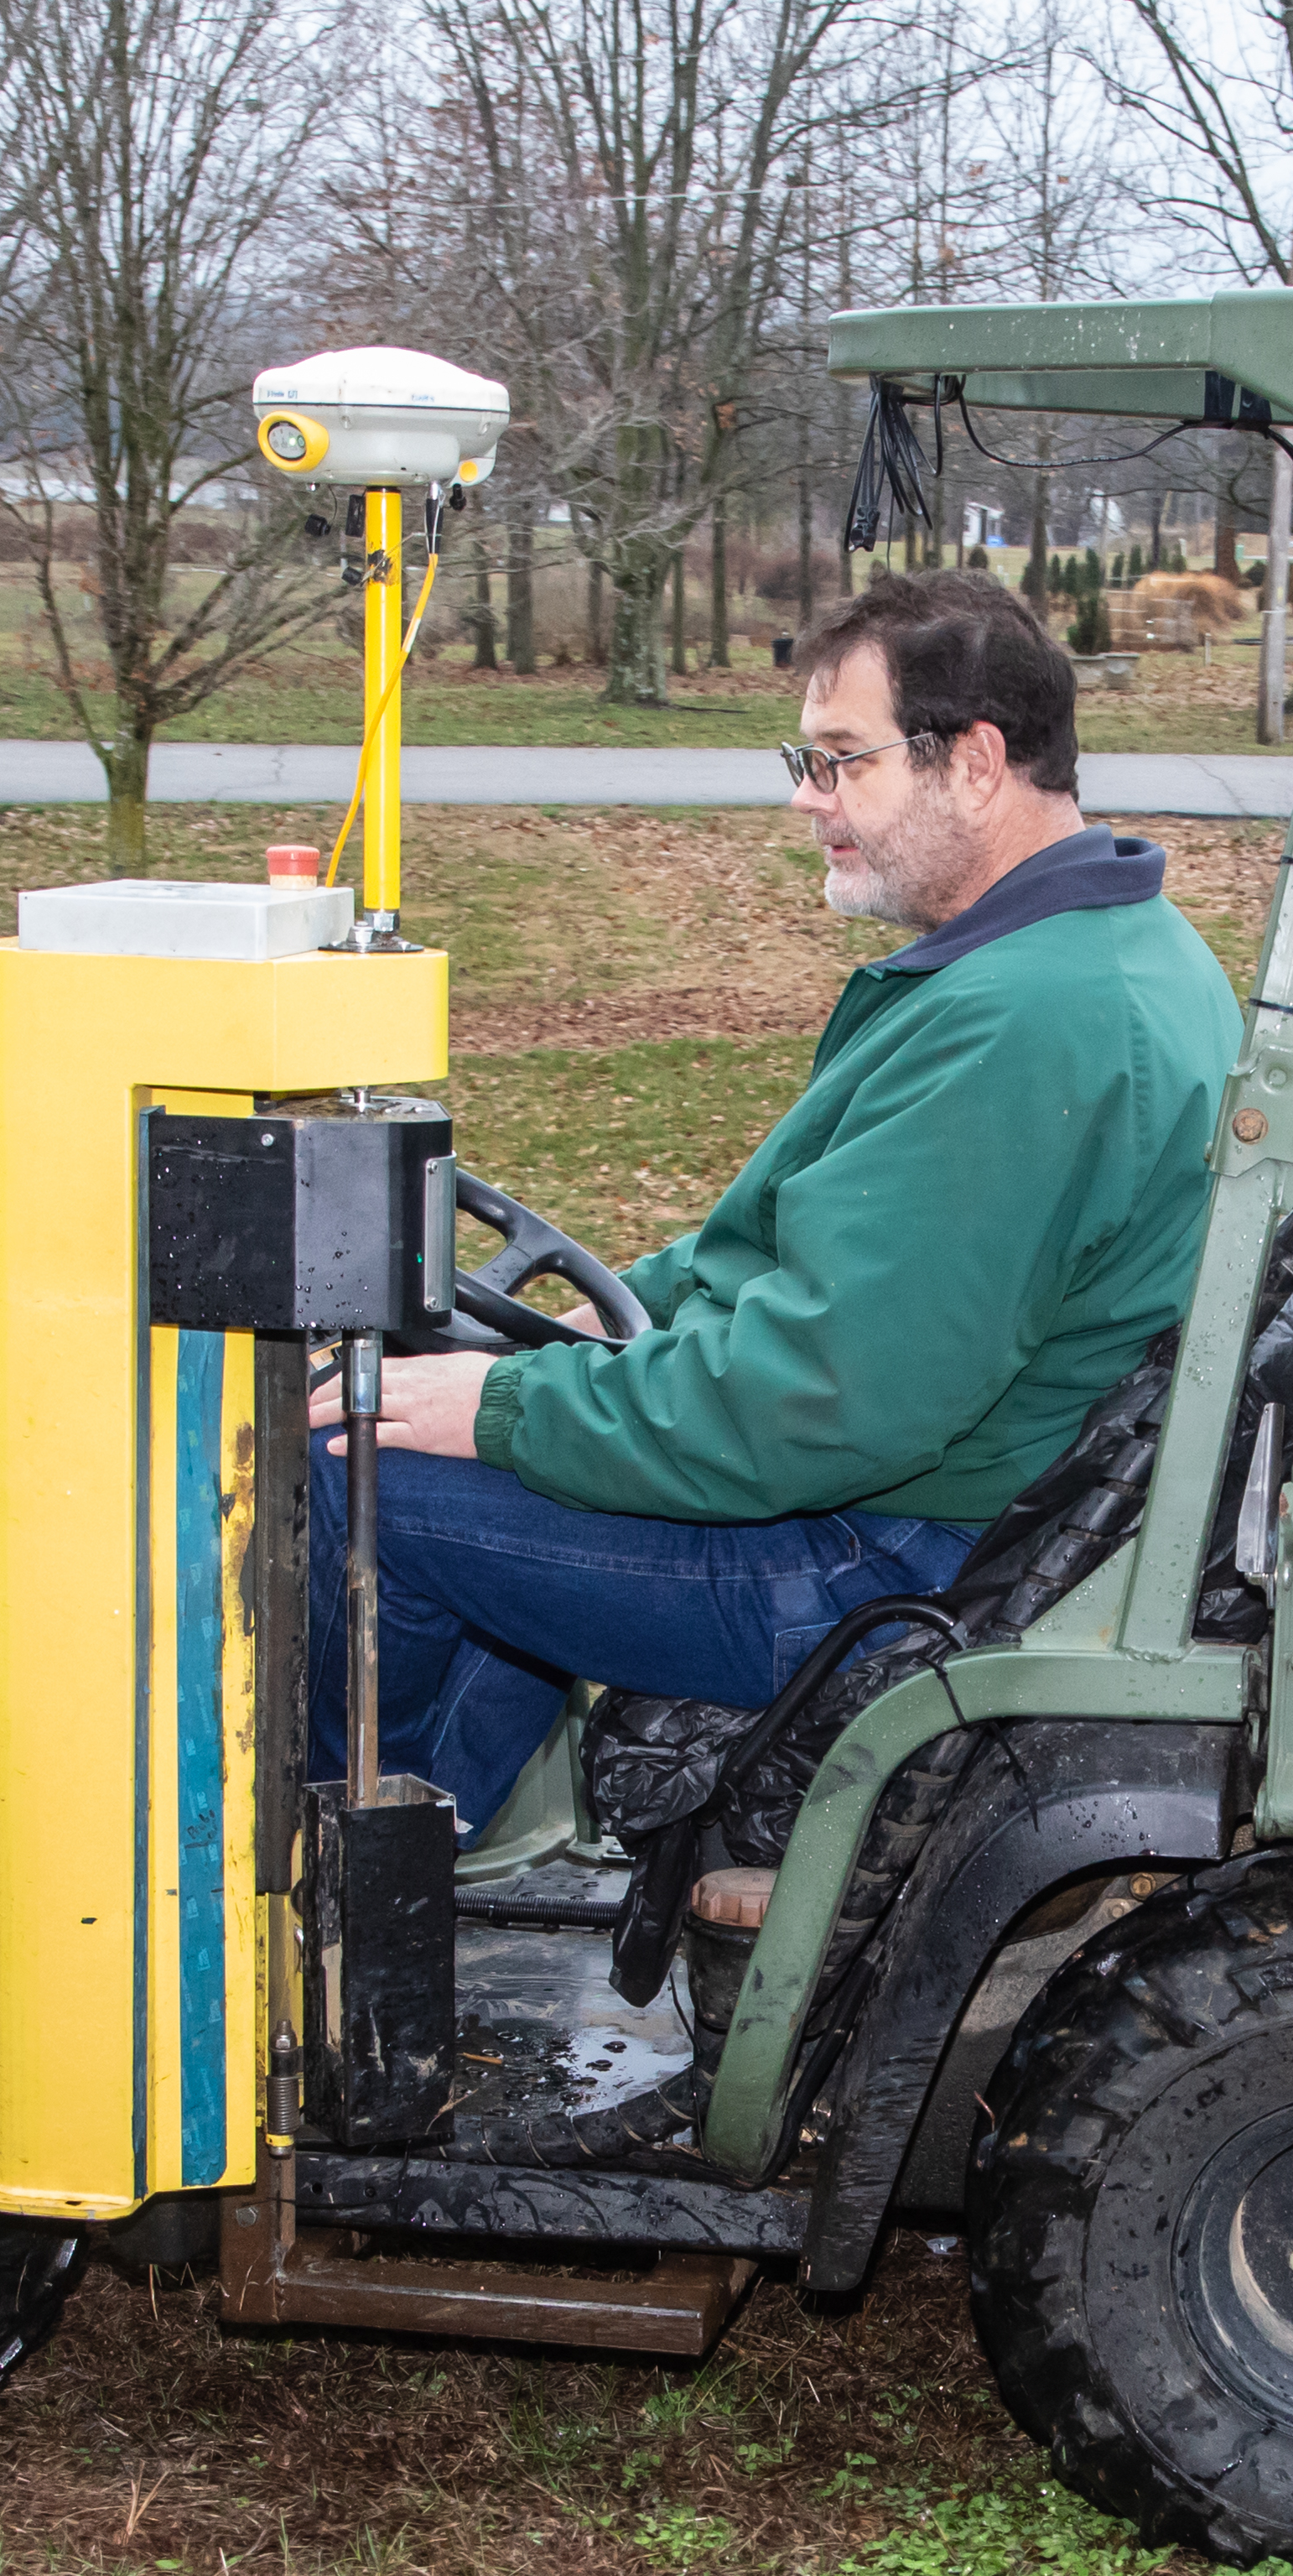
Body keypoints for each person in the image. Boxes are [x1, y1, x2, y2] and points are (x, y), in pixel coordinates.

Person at [304, 567, 1237, 1827]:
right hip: (919, 1494)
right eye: (805, 757)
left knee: (350, 1470)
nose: (809, 798)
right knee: (446, 1417)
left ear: (972, 760)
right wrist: (599, 1323)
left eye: (842, 760)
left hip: (880, 1553)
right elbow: (796, 1240)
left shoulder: (1031, 1023)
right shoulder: (1082, 953)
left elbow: (819, 1404)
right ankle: (443, 1824)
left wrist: (517, 1405)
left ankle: (324, 1887)